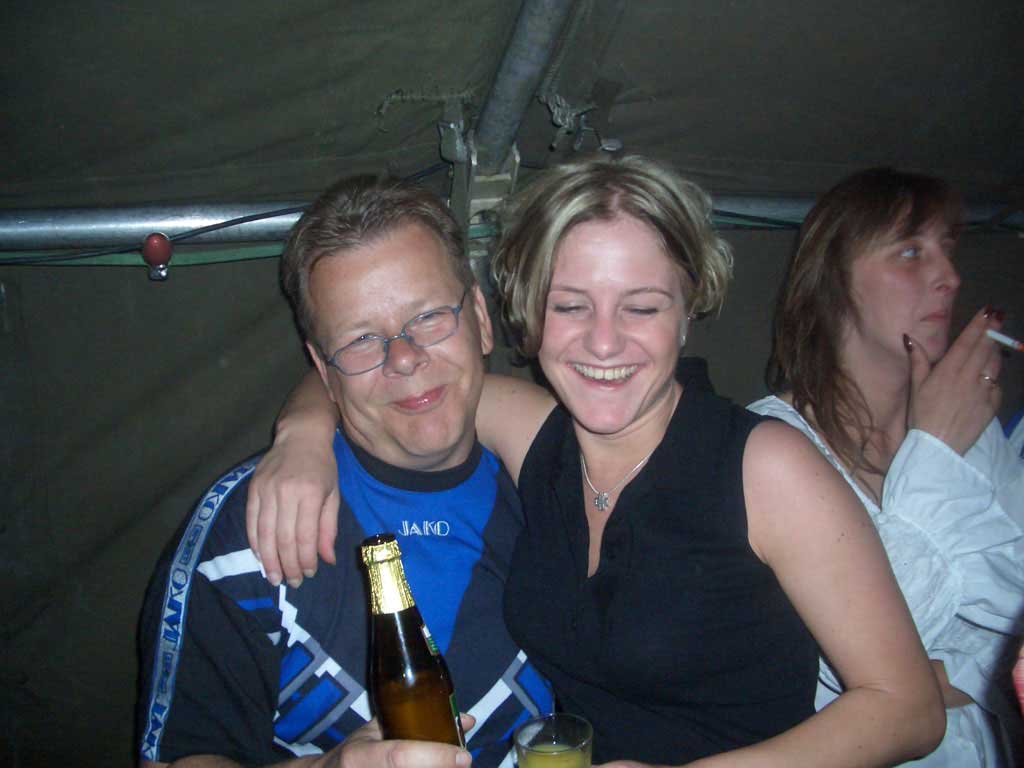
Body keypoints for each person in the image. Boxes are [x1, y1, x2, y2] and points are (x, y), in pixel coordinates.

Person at [246, 155, 946, 766]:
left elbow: (908, 708)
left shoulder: (764, 466)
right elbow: (388, 368)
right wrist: (301, 436)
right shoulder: (540, 435)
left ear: (689, 309)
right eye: (572, 307)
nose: (604, 344)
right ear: (527, 311)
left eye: (641, 307)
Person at [135, 175, 553, 768]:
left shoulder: (562, 497)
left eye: (430, 316)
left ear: (481, 318)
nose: (403, 358)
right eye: (361, 340)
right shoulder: (245, 533)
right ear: (322, 369)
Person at [748, 167, 1024, 766]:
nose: (950, 277)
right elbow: (816, 668)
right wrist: (935, 453)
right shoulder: (765, 446)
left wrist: (936, 677)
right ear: (834, 280)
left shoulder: (975, 424)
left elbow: (1015, 614)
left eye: (947, 250)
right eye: (910, 252)